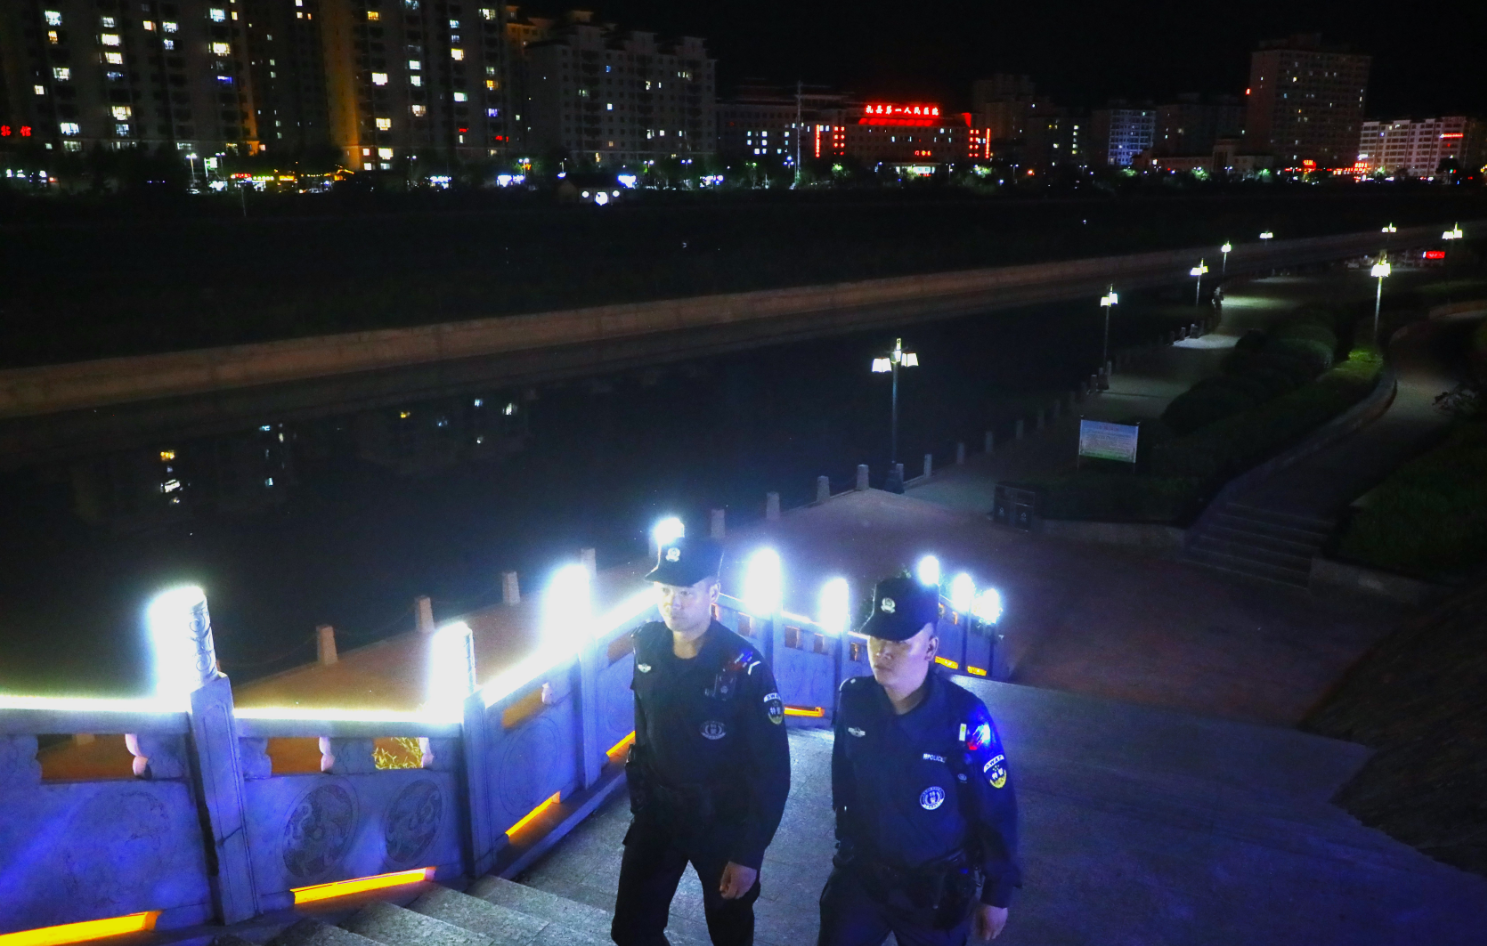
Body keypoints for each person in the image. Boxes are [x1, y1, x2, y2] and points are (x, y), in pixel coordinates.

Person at [818, 576, 1020, 946]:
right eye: (877, 637)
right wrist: (845, 840)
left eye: (900, 641)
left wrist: (997, 893)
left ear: (931, 648)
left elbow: (998, 809)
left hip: (934, 891)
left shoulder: (965, 718)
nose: (883, 651)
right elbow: (843, 778)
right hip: (864, 876)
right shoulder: (855, 700)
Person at [612, 534, 792, 946]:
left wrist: (749, 853)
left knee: (730, 933)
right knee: (631, 931)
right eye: (664, 590)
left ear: (713, 593)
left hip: (721, 822)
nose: (672, 602)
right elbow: (645, 723)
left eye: (685, 592)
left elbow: (773, 769)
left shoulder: (744, 666)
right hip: (658, 814)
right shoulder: (647, 645)